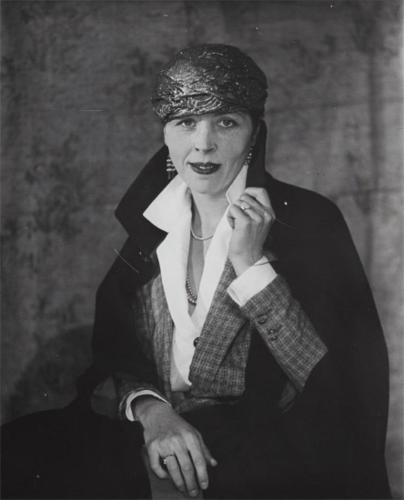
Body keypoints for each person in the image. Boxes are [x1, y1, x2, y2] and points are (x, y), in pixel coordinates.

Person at [2, 44, 391, 499]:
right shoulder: (150, 226)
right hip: (157, 430)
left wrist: (251, 264)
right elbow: (116, 353)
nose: (203, 144)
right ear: (166, 133)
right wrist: (153, 411)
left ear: (254, 132)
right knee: (20, 451)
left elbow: (336, 381)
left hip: (267, 445)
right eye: (186, 122)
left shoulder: (308, 219)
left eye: (226, 122)